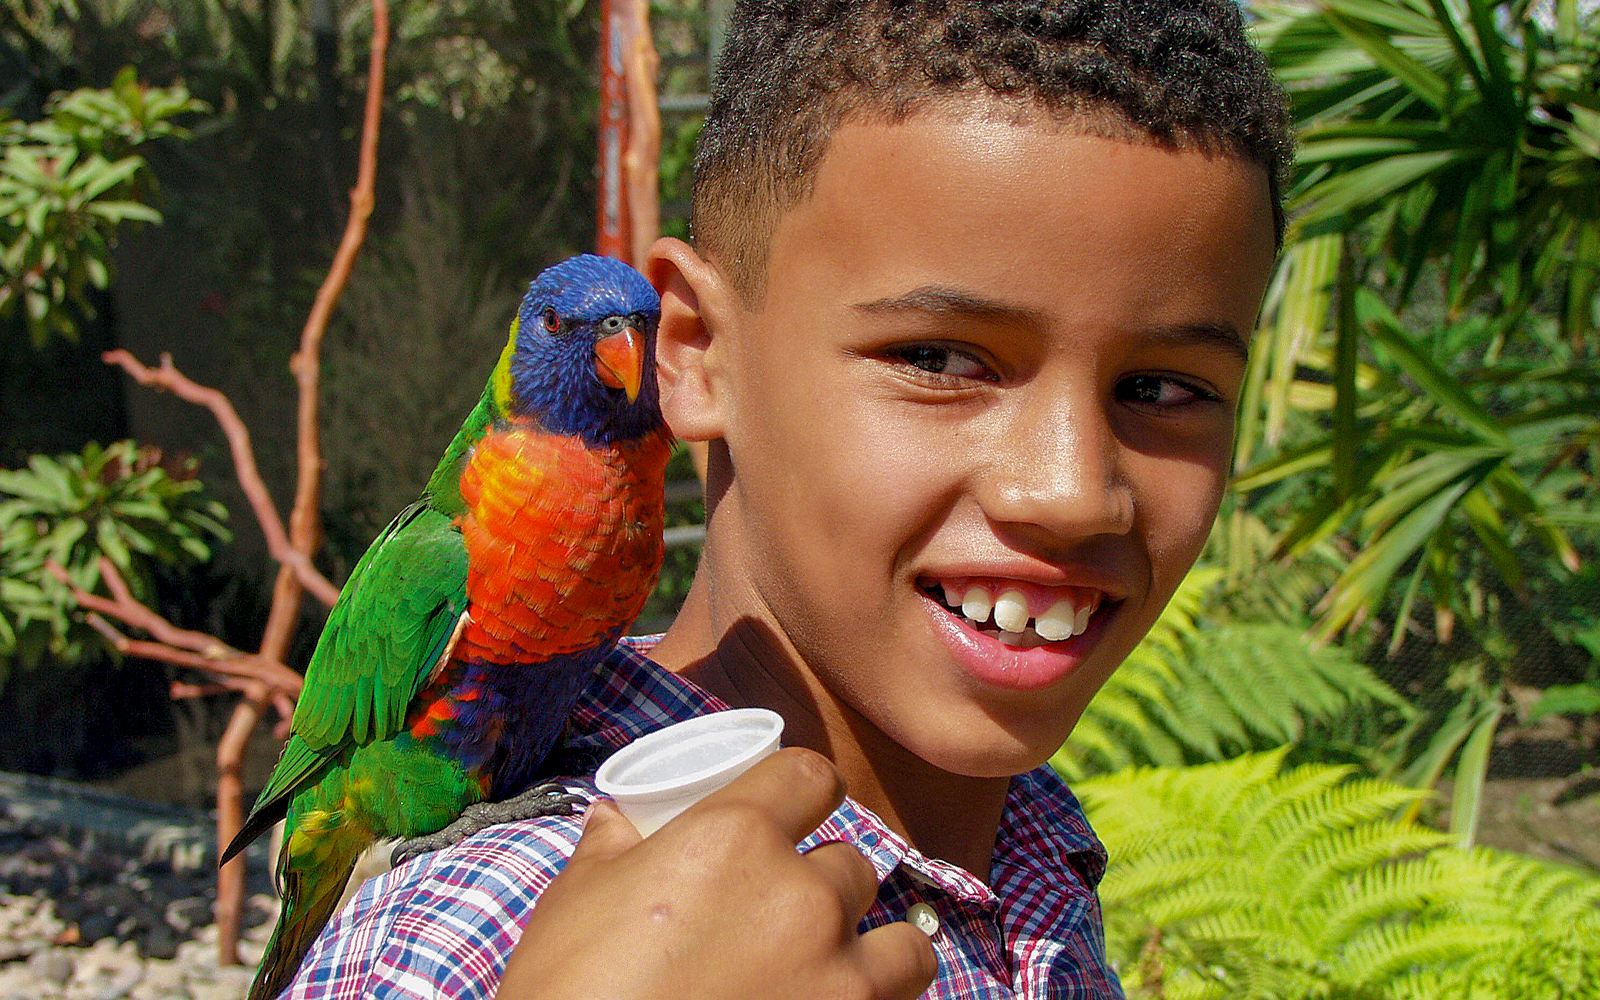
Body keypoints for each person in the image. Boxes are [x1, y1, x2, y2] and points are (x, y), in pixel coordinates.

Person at [279, 0, 1291, 996]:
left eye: (1162, 389)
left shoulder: (1037, 842)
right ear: (699, 355)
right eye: (937, 357)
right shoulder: (485, 931)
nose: (1071, 494)